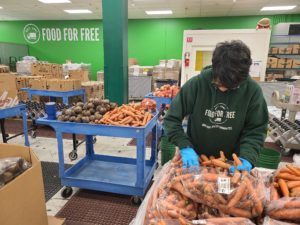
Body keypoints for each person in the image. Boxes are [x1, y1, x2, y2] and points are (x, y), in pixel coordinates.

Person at [163, 40, 268, 173]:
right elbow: (171, 119)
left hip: (233, 164)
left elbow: (256, 129)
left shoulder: (252, 91)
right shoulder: (196, 85)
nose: (223, 89)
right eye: (218, 84)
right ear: (215, 70)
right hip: (197, 158)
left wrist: (248, 157)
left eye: (231, 87)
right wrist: (184, 146)